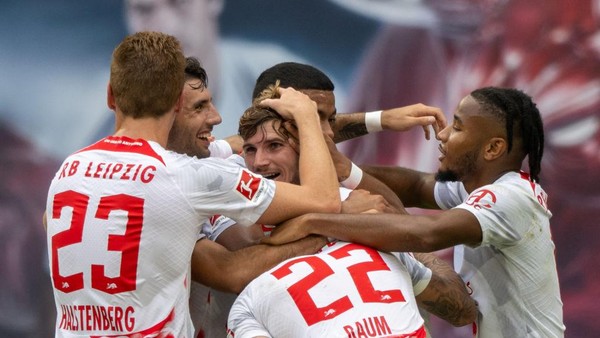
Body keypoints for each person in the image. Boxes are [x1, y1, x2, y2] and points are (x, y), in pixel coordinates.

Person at [44, 31, 343, 337]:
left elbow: (230, 145)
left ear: (110, 95)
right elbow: (324, 199)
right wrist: (306, 117)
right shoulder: (190, 177)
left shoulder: (68, 171)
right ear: (177, 102)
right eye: (198, 107)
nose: (214, 117)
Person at [265, 87, 565, 338]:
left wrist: (312, 220)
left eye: (458, 127)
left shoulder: (510, 197)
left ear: (493, 148)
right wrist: (341, 168)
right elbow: (416, 186)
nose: (444, 134)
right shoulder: (479, 186)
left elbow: (426, 235)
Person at [190, 62, 450, 337]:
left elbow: (401, 225)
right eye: (312, 119)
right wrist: (338, 218)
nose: (326, 132)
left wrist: (378, 121)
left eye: (329, 120)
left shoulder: (329, 181)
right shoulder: (225, 172)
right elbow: (247, 259)